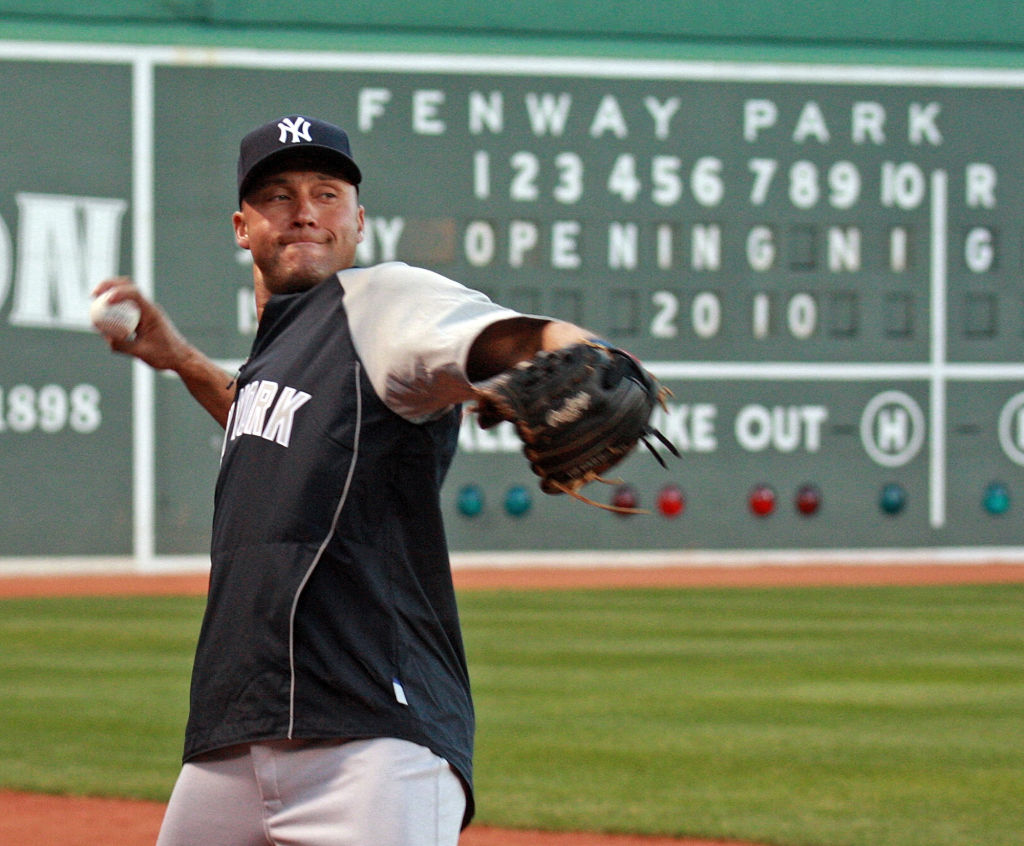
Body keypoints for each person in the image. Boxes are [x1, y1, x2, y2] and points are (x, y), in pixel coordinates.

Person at [94, 115, 593, 846]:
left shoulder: (383, 302)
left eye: (326, 194)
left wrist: (576, 350)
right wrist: (182, 360)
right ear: (243, 226)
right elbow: (266, 421)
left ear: (358, 221)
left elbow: (498, 337)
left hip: (371, 741)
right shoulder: (284, 348)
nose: (304, 211)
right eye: (278, 194)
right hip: (237, 736)